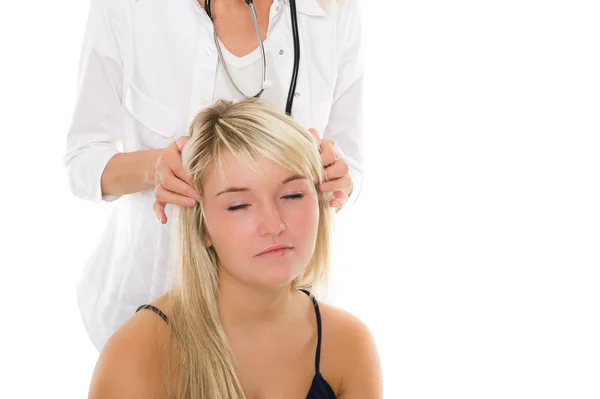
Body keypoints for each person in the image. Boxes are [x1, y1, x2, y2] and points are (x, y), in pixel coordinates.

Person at [64, 0, 364, 351]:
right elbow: (82, 160)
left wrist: (337, 178)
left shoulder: (335, 12)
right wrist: (157, 167)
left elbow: (350, 165)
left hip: (283, 316)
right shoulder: (126, 9)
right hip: (153, 296)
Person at [87, 99, 381, 398]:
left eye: (292, 195)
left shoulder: (347, 345)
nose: (273, 224)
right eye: (239, 205)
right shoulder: (137, 356)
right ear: (202, 228)